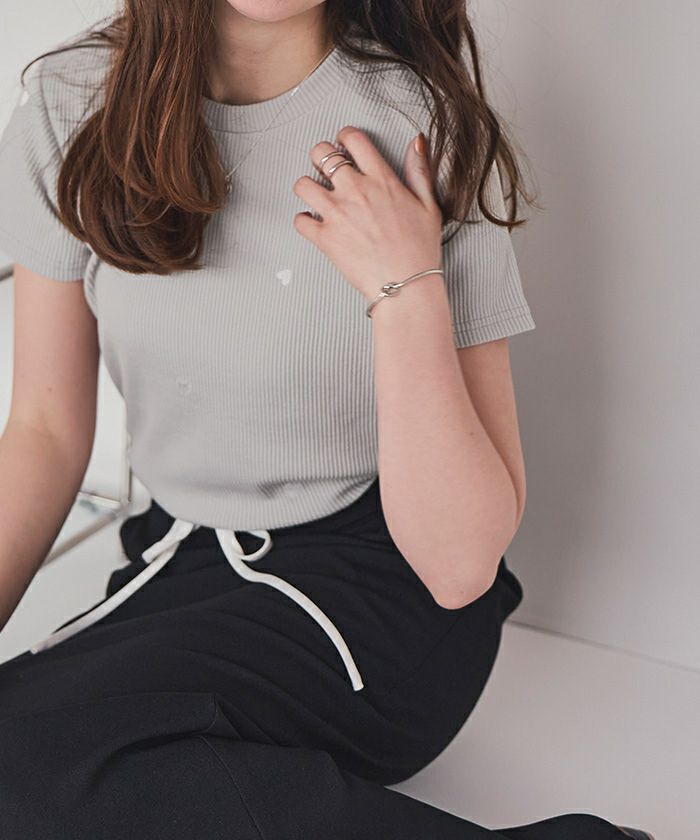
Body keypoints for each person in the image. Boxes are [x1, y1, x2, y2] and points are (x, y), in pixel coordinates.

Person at [0, 2, 652, 838]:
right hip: (178, 564)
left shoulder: (422, 125)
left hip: (383, 596)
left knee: (27, 763)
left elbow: (459, 567)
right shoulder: (72, 101)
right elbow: (45, 433)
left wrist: (404, 285)